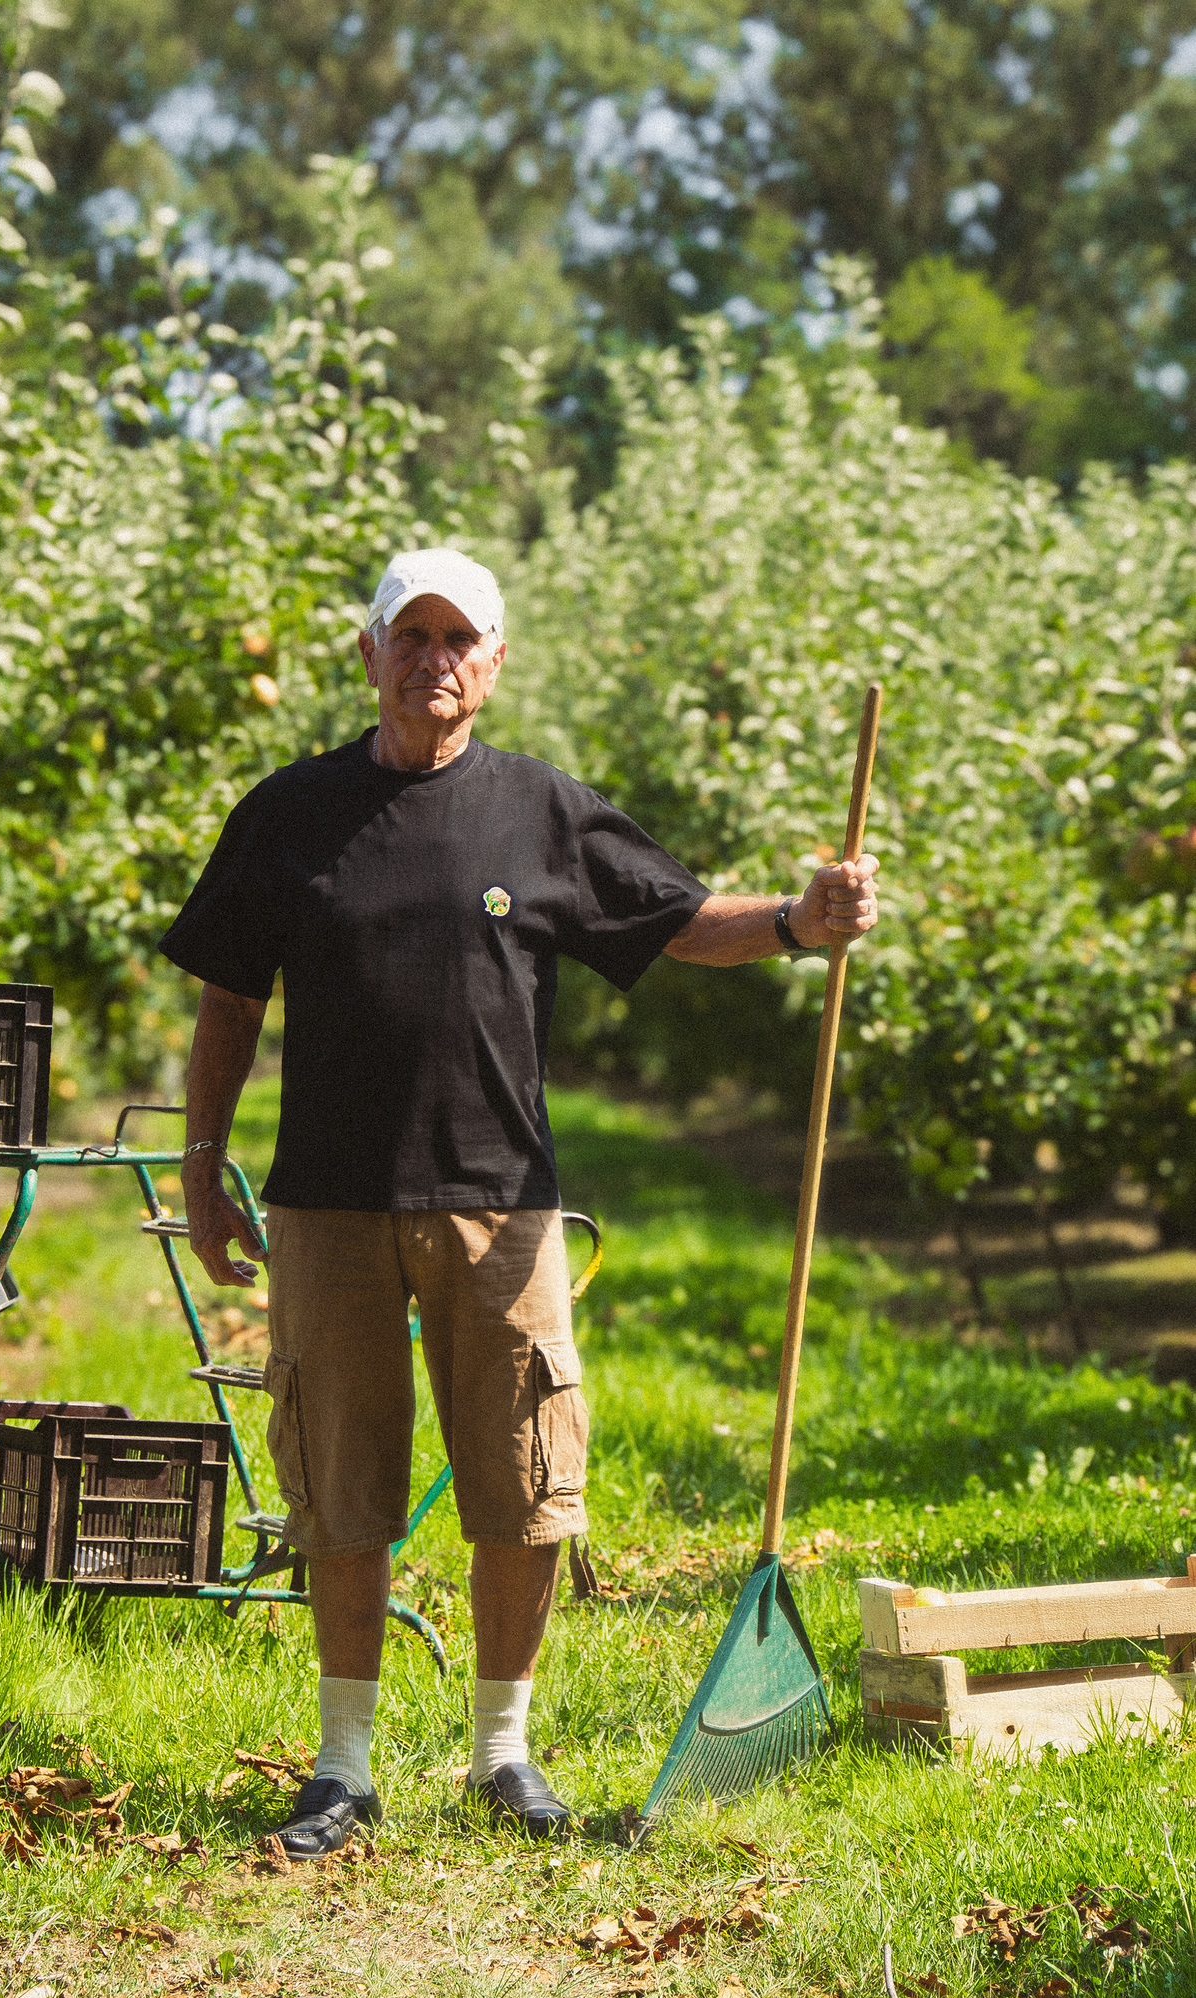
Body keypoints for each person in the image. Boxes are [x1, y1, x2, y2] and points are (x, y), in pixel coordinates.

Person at [160, 548, 878, 1859]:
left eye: (460, 639)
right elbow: (226, 1000)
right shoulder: (290, 814)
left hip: (504, 1207)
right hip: (328, 1204)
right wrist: (203, 1166)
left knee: (525, 1483)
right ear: (370, 654)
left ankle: (504, 1755)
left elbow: (670, 922)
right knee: (340, 1483)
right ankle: (343, 1766)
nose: (434, 659)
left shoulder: (539, 812)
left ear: (492, 663)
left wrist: (794, 919)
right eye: (411, 635)